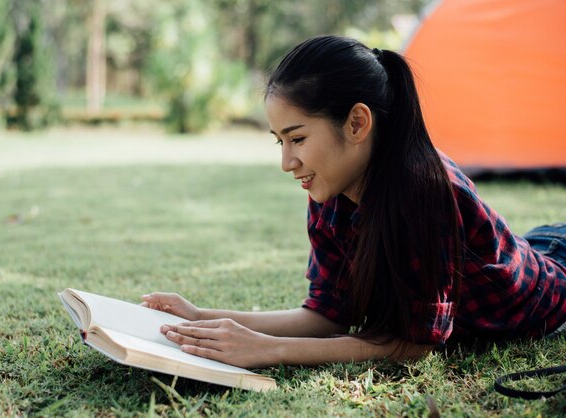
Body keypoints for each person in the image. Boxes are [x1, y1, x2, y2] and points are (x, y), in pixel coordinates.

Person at [140, 35, 566, 368]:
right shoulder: (329, 190)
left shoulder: (424, 191)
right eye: (280, 141)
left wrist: (271, 349)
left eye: (298, 138)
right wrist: (197, 317)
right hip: (532, 245)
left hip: (549, 283)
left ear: (357, 123)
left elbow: (416, 344)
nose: (287, 162)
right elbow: (327, 315)